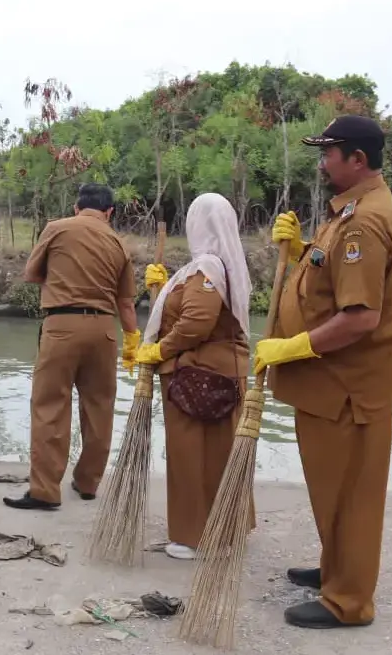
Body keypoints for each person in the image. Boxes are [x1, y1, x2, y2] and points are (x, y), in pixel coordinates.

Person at [256, 114, 392, 629]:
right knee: (332, 488)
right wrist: (302, 254)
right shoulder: (350, 212)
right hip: (331, 389)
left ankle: (348, 601)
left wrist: (294, 346)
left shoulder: (363, 221)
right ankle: (335, 569)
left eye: (329, 154)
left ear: (357, 159)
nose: (323, 163)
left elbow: (361, 316)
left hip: (349, 390)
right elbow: (334, 279)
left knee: (350, 495)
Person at [3, 183, 140, 510]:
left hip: (62, 326)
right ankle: (88, 483)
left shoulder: (57, 228)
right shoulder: (119, 243)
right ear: (109, 212)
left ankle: (45, 491)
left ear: (77, 207)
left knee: (51, 405)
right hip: (104, 331)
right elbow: (126, 303)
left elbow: (32, 275)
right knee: (100, 407)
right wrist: (133, 339)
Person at [135, 193, 253, 560]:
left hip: (198, 376)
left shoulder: (208, 267)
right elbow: (197, 310)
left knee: (192, 454)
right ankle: (227, 526)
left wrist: (160, 349)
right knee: (219, 452)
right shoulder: (218, 267)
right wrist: (170, 285)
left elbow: (196, 322)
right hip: (219, 373)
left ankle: (195, 535)